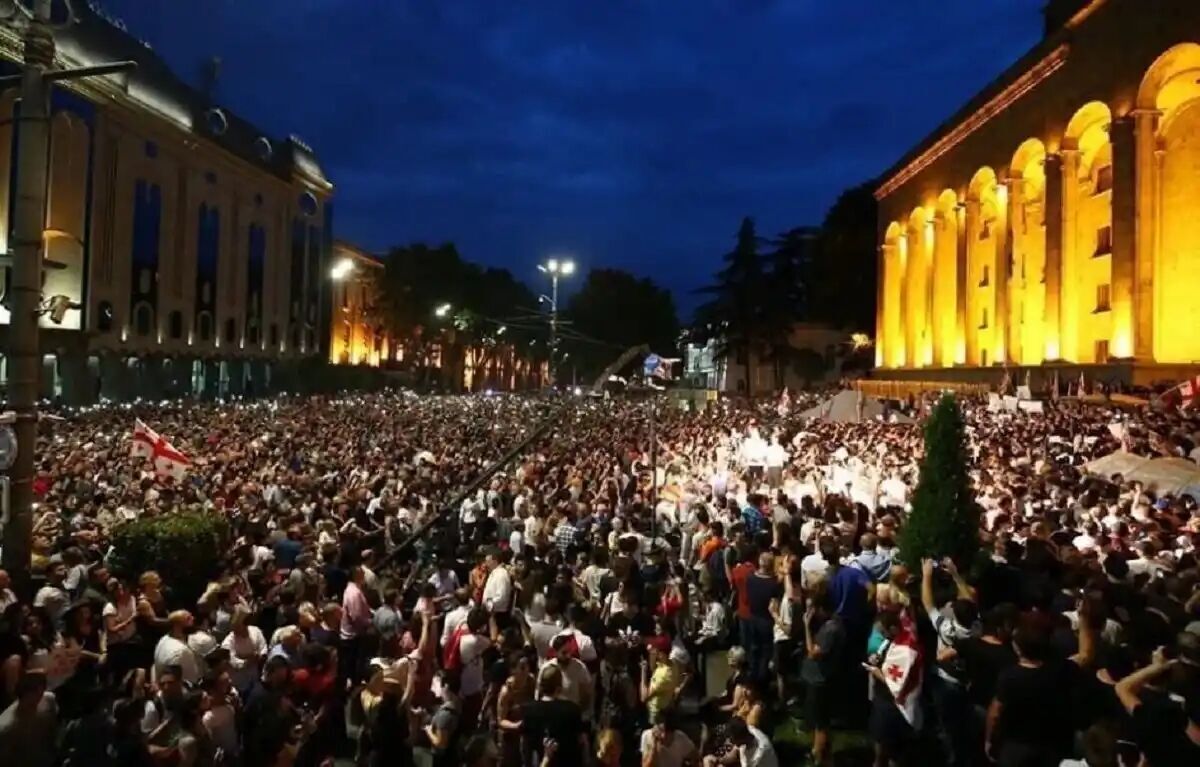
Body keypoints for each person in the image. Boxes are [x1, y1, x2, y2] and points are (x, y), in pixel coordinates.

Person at [801, 585, 844, 766]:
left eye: (812, 608)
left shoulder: (830, 630)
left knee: (820, 722)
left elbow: (813, 652)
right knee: (820, 719)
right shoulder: (830, 624)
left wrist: (806, 627)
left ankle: (820, 756)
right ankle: (819, 751)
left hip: (821, 681)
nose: (810, 612)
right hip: (819, 678)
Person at [522, 664, 586, 767]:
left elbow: (526, 745)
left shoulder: (529, 710)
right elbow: (581, 742)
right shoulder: (572, 710)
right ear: (559, 685)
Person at [0, 670, 58, 767]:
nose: (38, 699)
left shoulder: (49, 700)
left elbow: (52, 730)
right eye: (34, 694)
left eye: (41, 693)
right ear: (23, 694)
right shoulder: (6, 726)